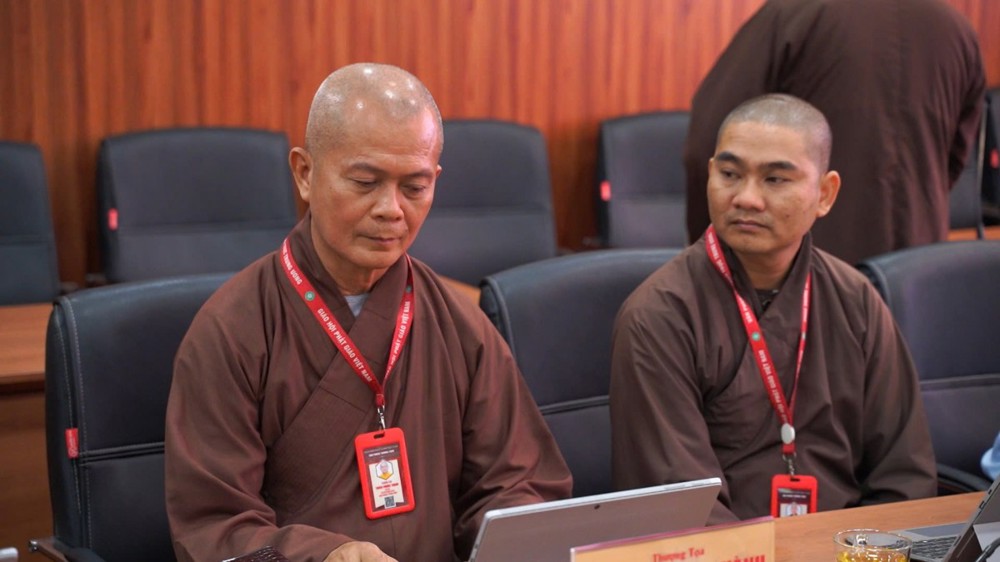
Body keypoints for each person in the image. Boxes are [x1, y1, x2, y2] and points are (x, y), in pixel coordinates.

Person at [164, 63, 572, 562]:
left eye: (414, 187)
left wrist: (509, 534)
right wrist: (323, 555)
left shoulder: (461, 325)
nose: (391, 209)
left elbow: (519, 483)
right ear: (305, 174)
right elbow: (215, 527)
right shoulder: (231, 332)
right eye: (364, 182)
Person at [610, 94, 937, 525]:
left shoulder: (856, 300)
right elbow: (680, 508)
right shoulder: (660, 316)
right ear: (710, 174)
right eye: (730, 174)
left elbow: (905, 477)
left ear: (825, 194)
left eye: (775, 179)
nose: (746, 198)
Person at [683, 0, 986, 265]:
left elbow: (710, 146)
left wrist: (713, 254)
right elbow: (954, 156)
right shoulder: (957, 29)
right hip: (918, 267)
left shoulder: (793, 15)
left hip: (804, 269)